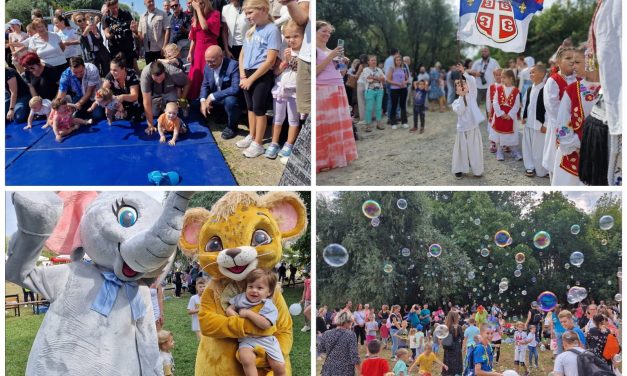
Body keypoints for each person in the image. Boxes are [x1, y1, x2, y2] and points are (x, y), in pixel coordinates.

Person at [234, 0, 281, 158]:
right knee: (250, 108)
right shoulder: (251, 29)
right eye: (246, 13)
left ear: (262, 10)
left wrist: (251, 79)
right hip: (246, 74)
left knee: (260, 109)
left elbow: (270, 60)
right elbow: (242, 54)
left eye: (250, 13)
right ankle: (252, 136)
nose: (247, 17)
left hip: (260, 74)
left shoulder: (272, 29)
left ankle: (259, 143)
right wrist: (242, 74)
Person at [552, 46, 601, 186]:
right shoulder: (572, 89)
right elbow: (562, 120)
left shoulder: (610, 90)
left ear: (591, 62)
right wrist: (576, 143)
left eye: (577, 62)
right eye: (572, 62)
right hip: (574, 150)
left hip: (600, 150)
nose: (573, 66)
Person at [226, 269, 285, 376]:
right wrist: (236, 317)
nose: (254, 290)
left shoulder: (269, 306)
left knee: (279, 367)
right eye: (250, 286)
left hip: (266, 339)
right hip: (247, 339)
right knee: (246, 358)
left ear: (269, 292)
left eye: (260, 288)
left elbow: (265, 325)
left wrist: (248, 313)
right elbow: (229, 308)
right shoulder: (241, 298)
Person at [315, 20, 357, 171]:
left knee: (338, 123)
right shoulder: (314, 50)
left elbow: (341, 73)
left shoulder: (328, 50)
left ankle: (339, 157)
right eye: (323, 31)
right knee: (326, 125)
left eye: (329, 32)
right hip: (322, 90)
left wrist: (344, 63)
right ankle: (325, 160)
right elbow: (314, 72)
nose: (327, 34)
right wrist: (331, 56)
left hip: (338, 87)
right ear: (315, 32)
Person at [267, 20, 304, 159]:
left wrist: (291, 60)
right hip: (280, 89)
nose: (291, 40)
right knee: (278, 118)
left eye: (295, 36)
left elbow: (303, 72)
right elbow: (276, 72)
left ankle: (289, 144)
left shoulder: (305, 53)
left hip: (295, 91)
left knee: (294, 120)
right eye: (288, 37)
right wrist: (284, 62)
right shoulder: (282, 51)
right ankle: (274, 143)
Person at [542, 46, 576, 178]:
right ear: (558, 61)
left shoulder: (578, 80)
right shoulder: (553, 81)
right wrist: (566, 125)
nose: (571, 61)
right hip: (559, 126)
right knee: (557, 159)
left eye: (574, 59)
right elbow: (552, 107)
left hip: (577, 126)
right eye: (568, 58)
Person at [199, 45, 242, 140]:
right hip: (217, 97)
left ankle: (232, 127)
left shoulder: (233, 65)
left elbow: (235, 88)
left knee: (230, 101)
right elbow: (205, 85)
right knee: (197, 104)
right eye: (207, 61)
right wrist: (202, 101)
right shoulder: (207, 67)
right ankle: (222, 114)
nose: (209, 64)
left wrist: (212, 96)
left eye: (212, 61)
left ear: (221, 56)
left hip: (232, 97)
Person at [451, 64, 484, 180]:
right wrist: (462, 97)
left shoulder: (472, 95)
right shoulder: (456, 102)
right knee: (461, 150)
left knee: (474, 149)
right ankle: (460, 169)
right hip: (462, 129)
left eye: (463, 83)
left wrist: (464, 72)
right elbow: (460, 111)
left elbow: (472, 81)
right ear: (456, 90)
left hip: (472, 127)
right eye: (459, 85)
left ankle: (477, 169)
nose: (462, 86)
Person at [140, 60, 190, 134]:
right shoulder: (145, 75)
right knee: (153, 113)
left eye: (161, 78)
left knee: (173, 111)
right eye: (156, 79)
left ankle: (179, 122)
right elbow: (146, 100)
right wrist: (150, 124)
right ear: (151, 74)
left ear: (165, 72)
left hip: (170, 91)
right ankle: (162, 107)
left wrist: (182, 99)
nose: (159, 81)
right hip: (156, 94)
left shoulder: (173, 72)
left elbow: (188, 82)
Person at [187, 0, 221, 100]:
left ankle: (211, 100)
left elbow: (205, 27)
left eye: (201, 3)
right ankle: (196, 99)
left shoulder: (215, 14)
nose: (199, 5)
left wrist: (197, 10)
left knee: (210, 74)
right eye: (197, 3)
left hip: (210, 49)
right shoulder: (195, 18)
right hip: (198, 50)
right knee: (196, 75)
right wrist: (190, 52)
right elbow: (193, 38)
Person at [521, 63, 548, 178]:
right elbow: (525, 104)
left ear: (542, 74)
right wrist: (524, 116)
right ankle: (529, 167)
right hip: (528, 124)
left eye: (533, 72)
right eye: (530, 72)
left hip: (539, 124)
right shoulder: (529, 89)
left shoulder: (546, 90)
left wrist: (545, 124)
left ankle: (542, 170)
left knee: (539, 149)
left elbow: (549, 109)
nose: (531, 74)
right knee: (527, 146)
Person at [57, 56, 104, 121]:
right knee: (74, 115)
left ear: (84, 66)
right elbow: (60, 96)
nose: (78, 74)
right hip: (79, 96)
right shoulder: (65, 75)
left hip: (95, 96)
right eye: (75, 72)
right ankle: (83, 110)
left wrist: (76, 105)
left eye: (81, 71)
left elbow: (89, 93)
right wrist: (55, 110)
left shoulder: (92, 69)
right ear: (70, 69)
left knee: (97, 116)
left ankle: (87, 109)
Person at [490, 69, 522, 161]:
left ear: (511, 78)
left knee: (512, 133)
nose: (501, 79)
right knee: (499, 133)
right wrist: (501, 113)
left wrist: (510, 115)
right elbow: (495, 102)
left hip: (510, 116)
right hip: (500, 114)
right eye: (501, 77)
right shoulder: (499, 89)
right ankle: (499, 151)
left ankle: (514, 150)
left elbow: (517, 104)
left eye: (504, 77)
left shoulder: (516, 91)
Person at [318, 309, 361, 375]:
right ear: (346, 322)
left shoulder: (327, 333)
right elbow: (354, 356)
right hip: (345, 371)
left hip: (328, 370)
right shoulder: (351, 335)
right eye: (351, 322)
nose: (351, 324)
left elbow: (321, 349)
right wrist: (361, 371)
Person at [102, 53, 143, 122]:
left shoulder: (131, 74)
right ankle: (121, 112)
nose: (112, 72)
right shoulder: (110, 76)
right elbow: (102, 93)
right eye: (110, 69)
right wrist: (108, 105)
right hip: (117, 102)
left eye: (115, 70)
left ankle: (124, 113)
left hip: (132, 101)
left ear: (123, 69)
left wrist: (123, 97)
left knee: (136, 116)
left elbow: (134, 96)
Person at [103, 0, 139, 72]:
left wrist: (134, 29)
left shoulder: (126, 14)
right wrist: (113, 31)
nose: (115, 9)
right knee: (118, 72)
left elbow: (135, 31)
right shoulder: (105, 18)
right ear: (108, 7)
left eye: (116, 7)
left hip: (128, 49)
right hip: (115, 51)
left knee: (130, 72)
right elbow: (107, 36)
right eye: (113, 8)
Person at [73, 13, 111, 77]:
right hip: (90, 56)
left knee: (107, 73)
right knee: (95, 74)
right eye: (79, 21)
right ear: (76, 23)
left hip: (102, 53)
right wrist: (87, 30)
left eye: (83, 19)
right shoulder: (77, 31)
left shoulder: (93, 27)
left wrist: (96, 34)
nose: (82, 22)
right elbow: (81, 41)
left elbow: (101, 40)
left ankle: (106, 86)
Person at [137, 0, 170, 65]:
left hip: (160, 49)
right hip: (147, 50)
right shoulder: (142, 16)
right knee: (150, 71)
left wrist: (164, 46)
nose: (152, 3)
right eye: (149, 1)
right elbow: (139, 33)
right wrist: (135, 31)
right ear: (144, 3)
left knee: (162, 70)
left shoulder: (162, 14)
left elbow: (167, 30)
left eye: (153, 1)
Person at [361, 55, 386, 132]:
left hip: (380, 90)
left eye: (375, 60)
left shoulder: (379, 69)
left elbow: (384, 79)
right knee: (369, 108)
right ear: (368, 62)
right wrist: (379, 78)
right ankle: (368, 125)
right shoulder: (365, 70)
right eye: (372, 60)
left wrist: (375, 78)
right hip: (370, 91)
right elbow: (369, 79)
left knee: (379, 108)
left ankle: (379, 123)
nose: (373, 62)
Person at [387, 55, 409, 129]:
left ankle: (404, 122)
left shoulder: (404, 69)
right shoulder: (392, 68)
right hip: (394, 89)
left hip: (403, 89)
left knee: (403, 105)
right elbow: (388, 80)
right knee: (394, 105)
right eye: (397, 60)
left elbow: (407, 79)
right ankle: (393, 123)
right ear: (394, 61)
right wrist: (397, 84)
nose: (399, 61)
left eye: (400, 60)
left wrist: (404, 83)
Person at [442, 311, 463, 376]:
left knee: (447, 364)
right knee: (456, 365)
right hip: (456, 348)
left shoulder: (445, 327)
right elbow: (462, 337)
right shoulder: (458, 327)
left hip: (447, 348)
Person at [486, 68, 502, 153]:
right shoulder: (491, 86)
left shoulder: (505, 85)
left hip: (503, 109)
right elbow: (488, 99)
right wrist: (489, 111)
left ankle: (505, 143)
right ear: (494, 76)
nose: (499, 76)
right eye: (497, 75)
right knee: (493, 126)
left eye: (500, 74)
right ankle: (493, 143)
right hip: (493, 110)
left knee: (503, 126)